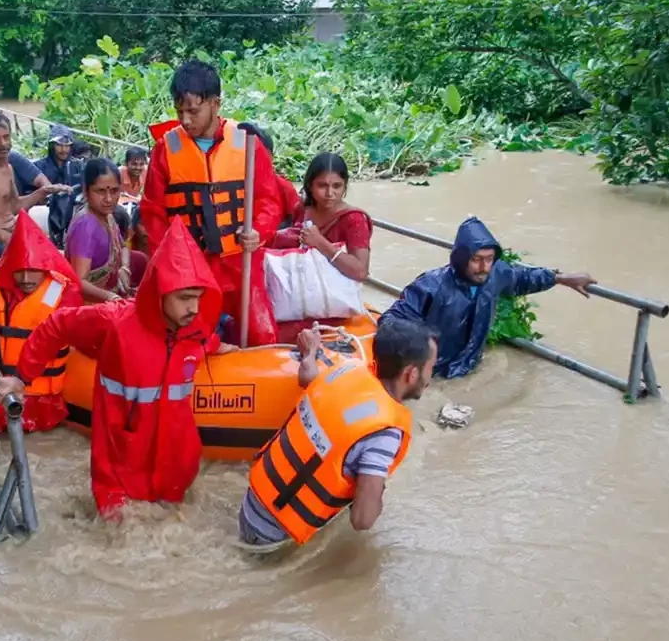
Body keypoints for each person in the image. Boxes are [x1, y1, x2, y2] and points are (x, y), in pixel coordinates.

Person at [0, 218, 235, 519]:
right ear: (159, 292)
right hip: (120, 462)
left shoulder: (194, 331)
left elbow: (199, 343)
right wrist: (22, 377)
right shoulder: (115, 322)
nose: (194, 308)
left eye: (198, 299)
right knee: (117, 538)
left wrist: (218, 346)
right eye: (185, 298)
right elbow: (57, 325)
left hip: (175, 463)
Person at [236, 317, 437, 553]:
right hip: (272, 538)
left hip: (251, 504)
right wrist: (378, 490)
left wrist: (310, 352)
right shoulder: (385, 434)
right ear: (411, 374)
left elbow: (307, 377)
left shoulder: (347, 370)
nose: (430, 377)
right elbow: (363, 520)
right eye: (430, 368)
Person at [140, 60, 282, 346]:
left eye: (193, 111)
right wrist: (166, 263)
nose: (186, 120)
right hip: (191, 266)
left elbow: (269, 201)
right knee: (191, 338)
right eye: (180, 112)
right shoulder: (165, 149)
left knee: (261, 334)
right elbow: (153, 213)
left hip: (240, 262)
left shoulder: (247, 143)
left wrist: (258, 231)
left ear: (216, 104)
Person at [383, 216, 596, 378]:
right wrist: (422, 348)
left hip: (470, 365)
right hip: (434, 372)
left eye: (489, 259)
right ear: (461, 258)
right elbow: (391, 321)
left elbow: (524, 278)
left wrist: (560, 278)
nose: (484, 267)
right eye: (476, 259)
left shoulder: (496, 274)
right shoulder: (430, 286)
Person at [0, 212, 83, 435]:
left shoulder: (65, 292)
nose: (25, 279)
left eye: (33, 270)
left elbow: (53, 340)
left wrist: (21, 379)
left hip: (40, 398)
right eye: (19, 270)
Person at [270, 152, 374, 343]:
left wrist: (321, 244)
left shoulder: (353, 219)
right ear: (310, 185)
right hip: (296, 296)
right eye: (322, 186)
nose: (329, 193)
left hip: (333, 304)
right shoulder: (303, 209)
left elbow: (360, 271)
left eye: (337, 186)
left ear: (345, 186)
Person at [0, 112, 73, 260]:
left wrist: (43, 192)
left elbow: (14, 206)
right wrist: (6, 237)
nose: (3, 144)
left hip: (12, 233)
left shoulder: (8, 168)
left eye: (6, 137)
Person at [65, 158, 149, 302]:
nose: (109, 199)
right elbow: (79, 282)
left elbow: (122, 247)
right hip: (88, 307)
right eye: (100, 191)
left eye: (115, 191)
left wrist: (124, 268)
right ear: (86, 191)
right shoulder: (86, 226)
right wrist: (113, 298)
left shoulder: (107, 216)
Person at [237, 122, 302, 226]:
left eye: (258, 153)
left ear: (270, 156)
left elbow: (297, 223)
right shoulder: (227, 184)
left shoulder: (283, 187)